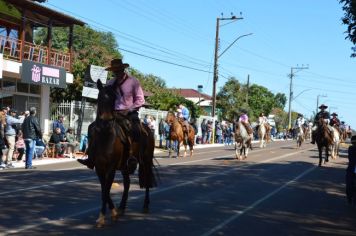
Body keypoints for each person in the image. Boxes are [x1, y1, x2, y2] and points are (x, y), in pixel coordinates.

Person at [78, 59, 145, 171]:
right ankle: (91, 156)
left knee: (135, 129)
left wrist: (129, 109)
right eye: (114, 70)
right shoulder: (110, 83)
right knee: (92, 128)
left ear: (123, 69)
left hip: (129, 113)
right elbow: (106, 99)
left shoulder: (133, 81)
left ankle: (133, 156)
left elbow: (140, 100)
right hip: (113, 113)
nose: (116, 72)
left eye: (118, 70)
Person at [346, 135, 356, 205]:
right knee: (349, 184)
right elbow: (351, 159)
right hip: (353, 168)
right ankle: (349, 196)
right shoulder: (351, 148)